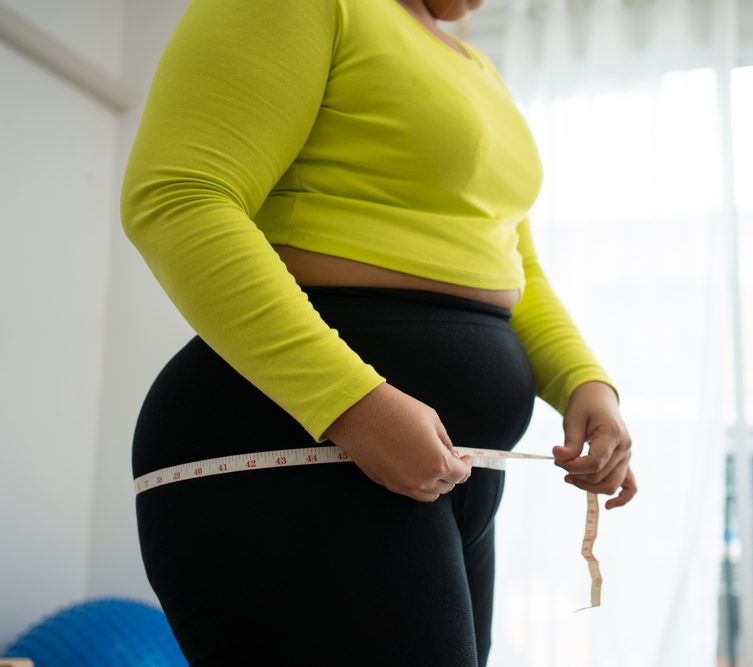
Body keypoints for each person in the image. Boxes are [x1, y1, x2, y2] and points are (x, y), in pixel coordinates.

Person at [121, 0, 637, 664]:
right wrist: (349, 400)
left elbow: (514, 264)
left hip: (440, 469)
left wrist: (583, 383)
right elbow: (178, 195)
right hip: (294, 439)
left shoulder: (478, 67)